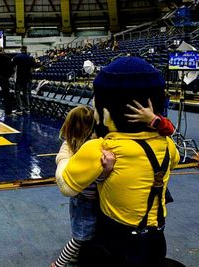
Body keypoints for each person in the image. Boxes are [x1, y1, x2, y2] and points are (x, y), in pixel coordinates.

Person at [55, 57, 180, 267]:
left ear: (106, 111)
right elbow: (172, 161)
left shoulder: (101, 148)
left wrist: (65, 153)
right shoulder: (168, 145)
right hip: (156, 238)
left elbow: (65, 185)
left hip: (115, 241)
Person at [52, 106, 116, 267]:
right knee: (80, 236)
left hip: (87, 199)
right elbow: (97, 176)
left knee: (88, 232)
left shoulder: (76, 145)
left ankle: (75, 257)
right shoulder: (86, 148)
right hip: (84, 201)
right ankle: (60, 263)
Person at [12, 46, 37, 114]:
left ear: (20, 50)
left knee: (17, 92)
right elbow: (34, 66)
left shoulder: (16, 57)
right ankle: (27, 108)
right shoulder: (29, 57)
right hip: (27, 78)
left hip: (19, 78)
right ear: (26, 50)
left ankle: (20, 109)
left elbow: (12, 66)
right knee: (26, 93)